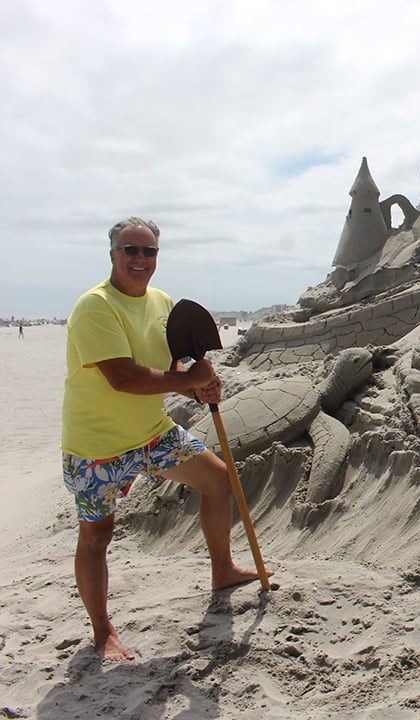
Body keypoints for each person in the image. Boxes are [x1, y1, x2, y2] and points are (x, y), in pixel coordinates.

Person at [62, 217, 268, 662]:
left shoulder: (162, 303)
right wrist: (186, 381)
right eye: (130, 249)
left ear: (157, 256)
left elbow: (175, 368)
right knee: (98, 536)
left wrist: (198, 386)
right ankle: (103, 633)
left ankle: (223, 570)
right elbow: (122, 377)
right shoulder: (95, 306)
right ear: (112, 252)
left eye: (149, 251)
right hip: (96, 445)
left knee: (217, 481)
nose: (140, 259)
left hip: (151, 434)